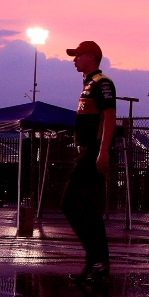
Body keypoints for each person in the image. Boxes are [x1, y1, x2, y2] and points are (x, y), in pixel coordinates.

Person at [62, 41, 116, 284]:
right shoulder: (89, 84)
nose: (74, 60)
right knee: (92, 212)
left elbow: (110, 117)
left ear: (92, 58)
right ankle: (98, 265)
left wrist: (102, 151)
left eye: (78, 55)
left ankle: (95, 259)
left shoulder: (102, 83)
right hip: (89, 151)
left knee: (69, 205)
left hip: (92, 153)